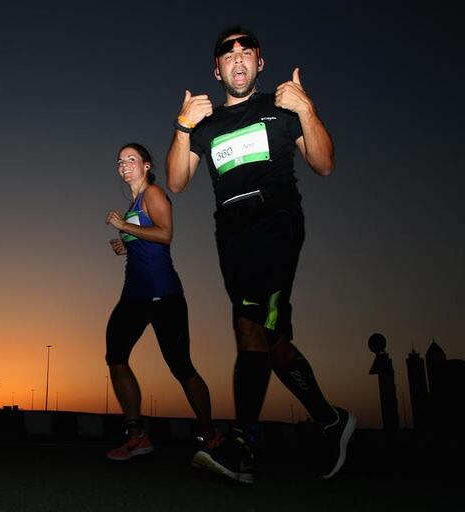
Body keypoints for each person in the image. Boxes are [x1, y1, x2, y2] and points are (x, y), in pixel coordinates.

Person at [165, 26, 355, 484]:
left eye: (246, 51)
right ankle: (330, 419)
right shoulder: (206, 126)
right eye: (227, 54)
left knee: (248, 325)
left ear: (259, 64)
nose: (237, 58)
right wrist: (182, 126)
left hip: (277, 225)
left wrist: (306, 108)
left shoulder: (280, 108)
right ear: (217, 69)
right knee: (273, 340)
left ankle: (242, 448)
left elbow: (325, 163)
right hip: (231, 238)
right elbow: (175, 182)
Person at [105, 143, 217, 462]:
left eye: (131, 159)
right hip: (134, 295)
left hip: (163, 294)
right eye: (120, 160)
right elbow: (146, 237)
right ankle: (137, 435)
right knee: (116, 355)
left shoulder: (153, 194)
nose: (124, 165)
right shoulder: (132, 206)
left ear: (147, 166)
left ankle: (210, 434)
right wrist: (125, 244)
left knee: (180, 366)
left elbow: (165, 234)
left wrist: (124, 227)